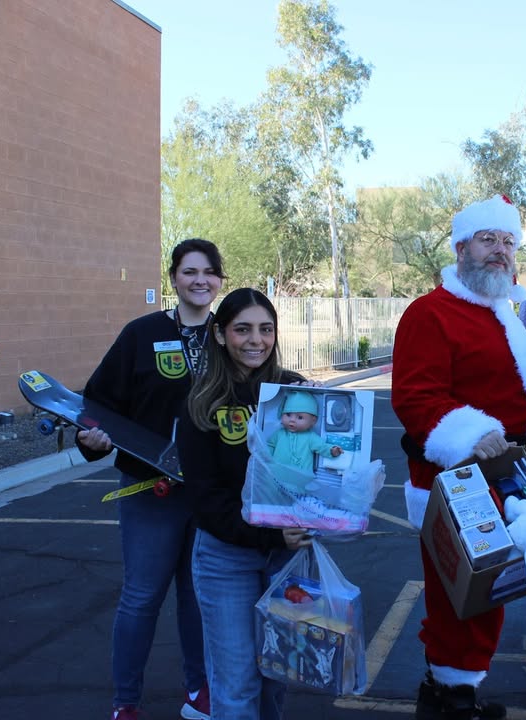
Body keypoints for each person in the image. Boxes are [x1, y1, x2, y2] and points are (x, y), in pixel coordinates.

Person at [391, 194, 526, 720]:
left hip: (513, 477)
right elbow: (416, 398)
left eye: (508, 241)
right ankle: (450, 697)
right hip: (460, 480)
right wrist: (471, 433)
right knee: (459, 598)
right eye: (488, 239)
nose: (500, 250)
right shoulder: (429, 313)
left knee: (489, 594)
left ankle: (452, 688)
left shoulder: (505, 311)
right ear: (461, 247)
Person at [76, 238, 224, 720]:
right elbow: (96, 404)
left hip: (210, 494)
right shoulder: (141, 334)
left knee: (199, 599)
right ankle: (125, 702)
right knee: (141, 597)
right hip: (151, 493)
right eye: (189, 271)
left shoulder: (229, 334)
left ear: (219, 279)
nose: (200, 280)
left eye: (209, 271)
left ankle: (199, 691)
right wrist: (92, 440)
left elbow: (260, 389)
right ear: (174, 278)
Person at [176, 287, 314, 720]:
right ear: (220, 334)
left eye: (266, 329)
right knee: (236, 684)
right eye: (243, 330)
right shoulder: (202, 402)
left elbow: (319, 475)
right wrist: (271, 534)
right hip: (226, 559)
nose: (256, 340)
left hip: (286, 559)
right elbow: (205, 501)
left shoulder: (295, 393)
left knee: (275, 677)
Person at [267, 390, 343, 470]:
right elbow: (269, 445)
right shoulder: (279, 434)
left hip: (301, 475)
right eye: (288, 414)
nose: (292, 420)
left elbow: (322, 446)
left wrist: (332, 451)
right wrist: (266, 458)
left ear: (313, 421)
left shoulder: (310, 437)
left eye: (300, 417)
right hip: (276, 472)